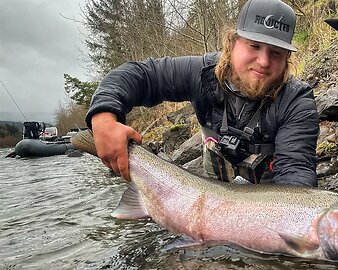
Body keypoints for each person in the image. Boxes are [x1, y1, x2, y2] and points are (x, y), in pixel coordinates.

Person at [86, 0, 320, 186]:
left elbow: (296, 176)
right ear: (233, 42)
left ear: (287, 58)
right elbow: (141, 75)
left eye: (276, 52)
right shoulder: (202, 74)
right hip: (204, 202)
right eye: (254, 46)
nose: (263, 61)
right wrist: (104, 118)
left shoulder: (296, 101)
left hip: (264, 214)